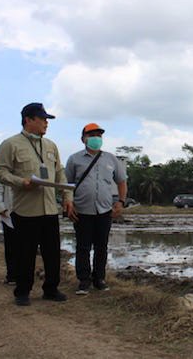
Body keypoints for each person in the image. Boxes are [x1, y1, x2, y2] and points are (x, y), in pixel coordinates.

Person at [0, 102, 73, 306]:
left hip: (49, 209)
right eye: (42, 119)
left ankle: (51, 288)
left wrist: (67, 198)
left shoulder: (51, 146)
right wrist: (21, 182)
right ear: (28, 120)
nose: (46, 123)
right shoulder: (10, 144)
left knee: (52, 253)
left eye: (47, 119)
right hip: (25, 210)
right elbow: (0, 172)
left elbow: (59, 173)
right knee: (25, 254)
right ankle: (22, 291)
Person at [65, 123, 127, 295]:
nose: (96, 138)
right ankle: (84, 281)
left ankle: (99, 278)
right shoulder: (74, 159)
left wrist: (120, 201)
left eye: (99, 135)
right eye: (92, 135)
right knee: (83, 247)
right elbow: (66, 185)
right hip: (82, 211)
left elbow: (122, 181)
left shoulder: (111, 159)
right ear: (83, 138)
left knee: (102, 246)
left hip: (104, 211)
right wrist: (68, 204)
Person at [0, 181, 16, 285]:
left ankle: (24, 273)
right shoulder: (3, 171)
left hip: (27, 211)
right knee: (11, 246)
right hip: (8, 213)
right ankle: (11, 275)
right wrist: (1, 208)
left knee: (25, 246)